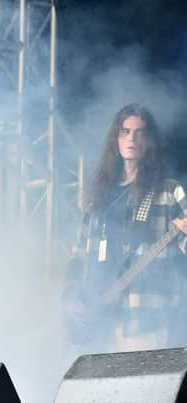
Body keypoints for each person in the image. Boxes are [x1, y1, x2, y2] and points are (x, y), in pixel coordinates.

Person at [64, 103, 187, 352]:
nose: (132, 138)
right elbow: (78, 254)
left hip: (145, 322)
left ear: (150, 141)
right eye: (125, 131)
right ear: (116, 140)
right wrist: (72, 296)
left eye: (140, 133)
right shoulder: (98, 197)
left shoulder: (168, 191)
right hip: (98, 321)